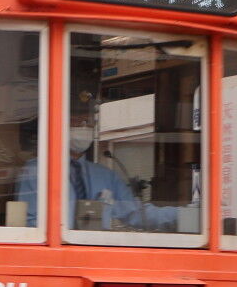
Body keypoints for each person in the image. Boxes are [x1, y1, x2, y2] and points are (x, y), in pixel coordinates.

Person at [16, 92, 184, 232]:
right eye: (76, 121)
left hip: (96, 252)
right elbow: (29, 223)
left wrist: (186, 215)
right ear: (60, 125)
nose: (84, 127)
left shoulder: (106, 176)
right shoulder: (37, 170)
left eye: (88, 122)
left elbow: (138, 214)